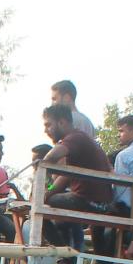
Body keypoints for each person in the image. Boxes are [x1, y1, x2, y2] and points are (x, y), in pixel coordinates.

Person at [40, 104, 114, 250]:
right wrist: (47, 191)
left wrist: (42, 174)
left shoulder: (75, 138)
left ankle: (63, 252)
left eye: (48, 125)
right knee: (43, 201)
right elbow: (63, 179)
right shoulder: (78, 142)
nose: (45, 130)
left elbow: (50, 157)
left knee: (40, 206)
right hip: (92, 201)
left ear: (62, 122)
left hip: (92, 202)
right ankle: (66, 253)